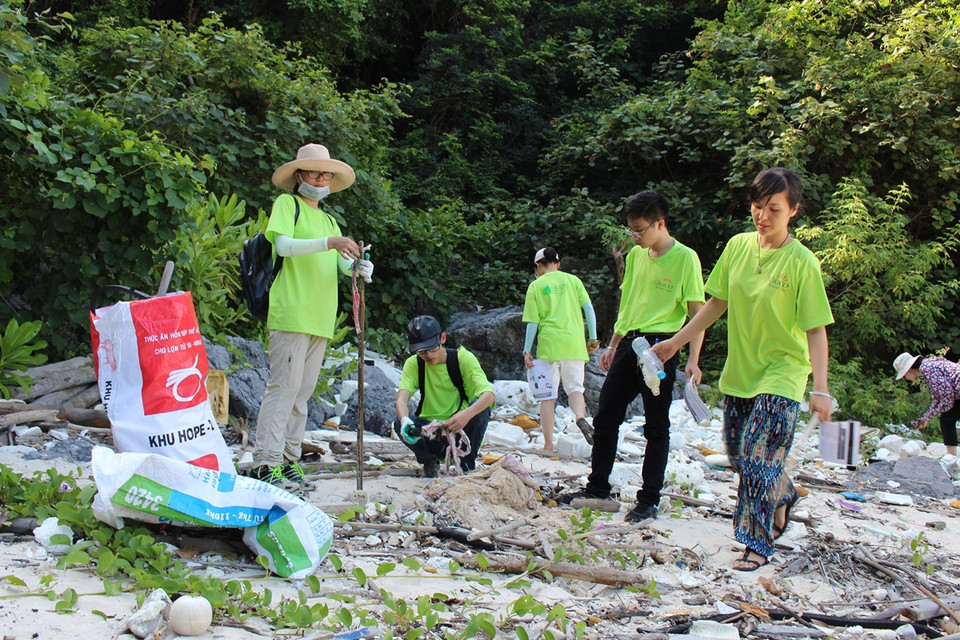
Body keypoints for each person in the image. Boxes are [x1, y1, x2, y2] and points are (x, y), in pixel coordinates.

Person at [651, 167, 834, 572]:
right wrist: (675, 342)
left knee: (757, 459)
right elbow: (716, 302)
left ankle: (757, 543)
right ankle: (782, 493)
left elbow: (816, 329)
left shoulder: (802, 262)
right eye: (757, 206)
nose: (763, 216)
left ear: (793, 211)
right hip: (740, 374)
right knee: (740, 455)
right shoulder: (737, 247)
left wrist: (820, 388)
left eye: (774, 208)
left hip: (783, 374)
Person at [559, 190, 705, 524]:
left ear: (660, 224)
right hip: (630, 343)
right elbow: (629, 304)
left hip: (662, 347)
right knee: (606, 414)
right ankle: (597, 488)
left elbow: (698, 314)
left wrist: (692, 359)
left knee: (656, 425)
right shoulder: (638, 256)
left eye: (639, 230)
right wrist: (613, 344)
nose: (635, 236)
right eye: (631, 230)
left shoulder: (685, 258)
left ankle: (648, 499)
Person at [251, 143, 374, 488]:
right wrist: (330, 242)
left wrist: (360, 267)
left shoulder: (329, 220)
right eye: (314, 172)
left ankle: (289, 458)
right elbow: (284, 247)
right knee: (283, 388)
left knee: (302, 393)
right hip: (292, 311)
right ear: (299, 175)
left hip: (320, 318)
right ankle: (266, 462)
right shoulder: (287, 204)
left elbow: (342, 264)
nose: (320, 179)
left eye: (326, 174)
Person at [394, 315, 496, 476]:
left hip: (460, 431)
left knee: (481, 409)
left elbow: (489, 396)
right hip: (430, 432)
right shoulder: (414, 364)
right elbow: (401, 400)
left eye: (432, 349)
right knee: (398, 422)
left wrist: (466, 414)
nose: (428, 355)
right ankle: (429, 462)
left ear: (442, 338)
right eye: (422, 351)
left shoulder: (463, 359)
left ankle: (466, 465)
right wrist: (405, 420)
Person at [522, 247, 600, 452]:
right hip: (574, 345)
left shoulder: (536, 286)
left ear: (538, 266)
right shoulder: (573, 281)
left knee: (548, 396)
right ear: (558, 264)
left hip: (550, 347)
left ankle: (548, 445)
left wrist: (527, 350)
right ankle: (580, 417)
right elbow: (588, 308)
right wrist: (592, 338)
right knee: (576, 389)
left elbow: (532, 322)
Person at [893, 352, 960, 456]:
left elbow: (947, 395)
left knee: (947, 420)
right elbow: (938, 398)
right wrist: (925, 418)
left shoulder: (927, 369)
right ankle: (952, 457)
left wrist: (940, 410)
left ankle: (952, 458)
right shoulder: (929, 364)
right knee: (947, 419)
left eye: (905, 376)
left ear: (909, 370)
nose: (907, 379)